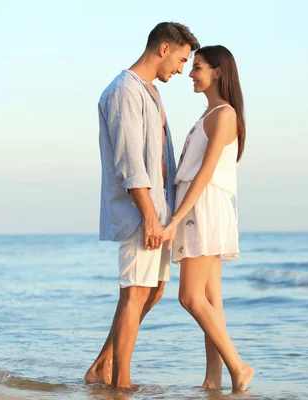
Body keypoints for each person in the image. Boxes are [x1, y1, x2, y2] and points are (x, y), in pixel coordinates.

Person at [84, 22, 199, 389]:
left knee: (153, 291)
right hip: (140, 212)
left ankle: (101, 366)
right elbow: (129, 162)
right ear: (163, 49)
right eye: (181, 60)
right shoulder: (124, 92)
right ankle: (121, 382)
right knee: (135, 292)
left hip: (159, 211)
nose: (181, 70)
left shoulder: (150, 92)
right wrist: (149, 216)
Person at [163, 45, 254, 392]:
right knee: (211, 298)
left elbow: (204, 174)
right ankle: (213, 379)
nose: (190, 73)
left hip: (203, 205)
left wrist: (175, 220)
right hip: (201, 204)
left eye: (197, 67)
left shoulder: (225, 114)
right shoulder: (209, 113)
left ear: (218, 71)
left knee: (190, 297)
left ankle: (238, 366)